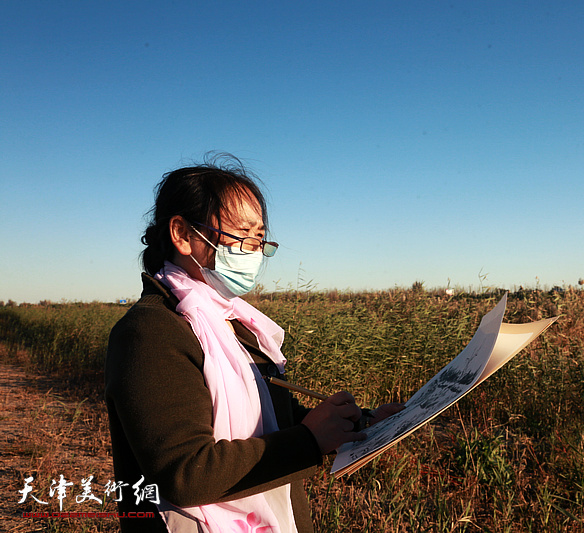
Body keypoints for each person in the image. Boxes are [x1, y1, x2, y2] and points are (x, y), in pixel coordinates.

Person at [104, 155, 403, 533]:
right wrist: (310, 441)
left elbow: (271, 415)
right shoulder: (151, 332)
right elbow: (185, 475)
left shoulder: (231, 323)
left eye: (259, 238)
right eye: (241, 235)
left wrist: (361, 424)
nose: (254, 251)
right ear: (182, 235)